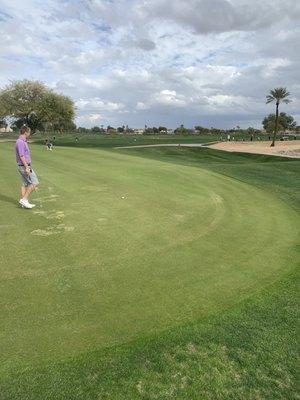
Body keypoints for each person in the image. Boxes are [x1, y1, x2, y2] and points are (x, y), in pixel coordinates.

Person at [15, 126, 39, 209]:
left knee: (25, 184)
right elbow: (21, 156)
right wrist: (27, 167)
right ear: (25, 132)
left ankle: (24, 202)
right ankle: (24, 200)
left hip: (23, 166)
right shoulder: (20, 142)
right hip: (24, 166)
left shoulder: (22, 141)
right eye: (29, 132)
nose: (29, 134)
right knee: (35, 183)